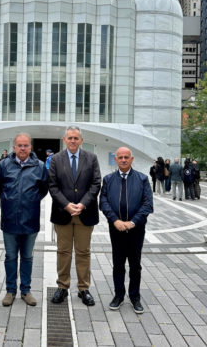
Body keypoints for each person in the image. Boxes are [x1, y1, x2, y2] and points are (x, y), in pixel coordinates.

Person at [49, 126, 101, 306]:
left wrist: (83, 204)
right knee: (63, 252)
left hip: (85, 213)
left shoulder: (91, 158)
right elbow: (52, 186)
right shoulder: (56, 159)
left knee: (83, 252)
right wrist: (66, 205)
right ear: (64, 140)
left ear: (81, 140)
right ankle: (62, 287)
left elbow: (96, 183)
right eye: (70, 138)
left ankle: (83, 288)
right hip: (63, 213)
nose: (73, 141)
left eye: (76, 138)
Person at [0, 133, 48, 307]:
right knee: (10, 257)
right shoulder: (3, 165)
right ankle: (10, 291)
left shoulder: (40, 166)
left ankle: (25, 290)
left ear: (30, 147)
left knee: (27, 257)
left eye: (26, 145)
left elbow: (44, 189)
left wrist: (31, 200)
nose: (23, 148)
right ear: (14, 147)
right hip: (9, 219)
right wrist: (8, 200)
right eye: (19, 145)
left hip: (30, 220)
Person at [99, 147, 153, 313]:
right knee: (118, 264)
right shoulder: (108, 179)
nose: (123, 160)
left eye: (126, 157)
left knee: (135, 265)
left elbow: (148, 204)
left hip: (136, 230)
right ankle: (119, 295)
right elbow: (103, 202)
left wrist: (133, 222)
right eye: (120, 157)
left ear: (131, 159)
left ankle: (135, 297)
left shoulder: (142, 179)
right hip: (116, 229)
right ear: (115, 159)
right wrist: (115, 220)